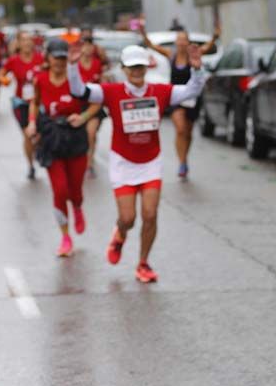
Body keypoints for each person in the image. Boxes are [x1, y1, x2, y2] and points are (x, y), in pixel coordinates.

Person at [67, 44, 207, 283]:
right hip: (123, 163)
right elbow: (79, 90)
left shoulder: (160, 91)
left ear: (146, 67)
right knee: (129, 218)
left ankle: (143, 263)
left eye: (140, 66)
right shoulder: (111, 91)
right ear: (123, 69)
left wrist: (197, 70)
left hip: (150, 162)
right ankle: (119, 235)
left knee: (150, 214)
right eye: (131, 67)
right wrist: (72, 66)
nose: (136, 71)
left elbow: (191, 91)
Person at [25, 40, 103, 257]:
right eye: (55, 57)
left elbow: (97, 102)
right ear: (47, 58)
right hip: (52, 138)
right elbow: (34, 102)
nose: (59, 62)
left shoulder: (76, 80)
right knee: (60, 190)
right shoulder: (40, 79)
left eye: (62, 57)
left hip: (75, 137)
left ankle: (77, 207)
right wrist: (32, 122)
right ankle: (65, 237)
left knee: (75, 190)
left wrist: (84, 116)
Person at [138, 21, 220, 179]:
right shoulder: (171, 54)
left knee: (188, 132)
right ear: (176, 42)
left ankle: (185, 158)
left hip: (192, 98)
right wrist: (143, 33)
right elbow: (151, 45)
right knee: (180, 128)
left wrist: (215, 36)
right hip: (175, 97)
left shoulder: (194, 54)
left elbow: (208, 47)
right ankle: (181, 162)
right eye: (179, 39)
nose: (181, 42)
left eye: (184, 39)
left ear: (187, 42)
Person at [0, 30, 45, 179]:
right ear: (18, 43)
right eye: (23, 40)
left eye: (29, 39)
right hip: (21, 103)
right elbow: (0, 74)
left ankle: (37, 149)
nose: (27, 43)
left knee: (40, 134)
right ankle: (30, 165)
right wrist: (4, 80)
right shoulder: (14, 60)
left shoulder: (41, 59)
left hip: (38, 103)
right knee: (28, 135)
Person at [72, 38, 107, 177]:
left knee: (91, 133)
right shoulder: (75, 66)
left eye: (90, 46)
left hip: (94, 105)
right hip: (77, 105)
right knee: (81, 136)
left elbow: (103, 83)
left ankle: (89, 163)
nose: (88, 49)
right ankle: (79, 158)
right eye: (85, 46)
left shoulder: (98, 64)